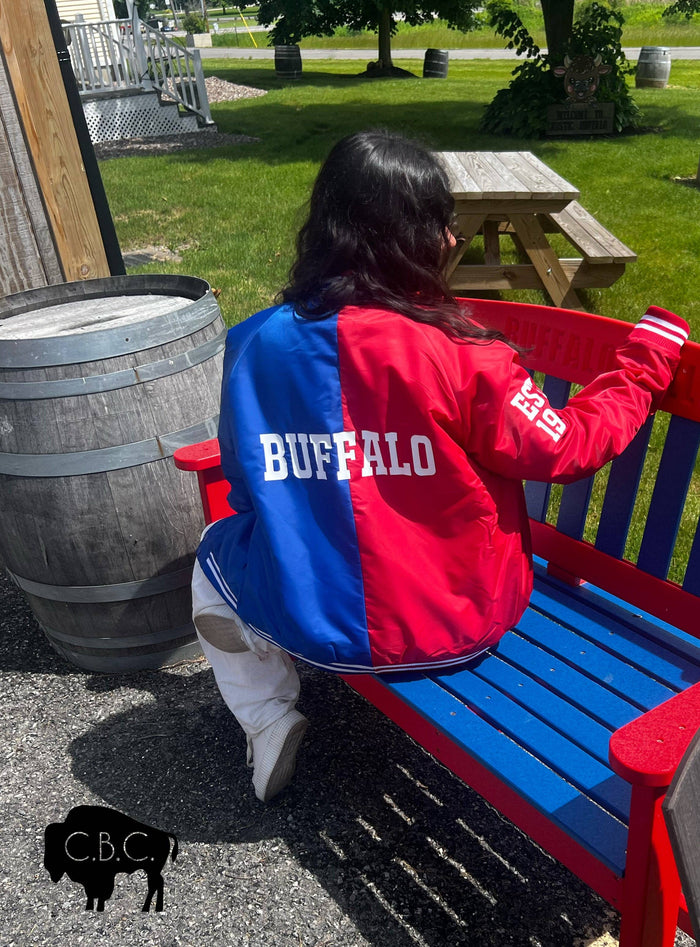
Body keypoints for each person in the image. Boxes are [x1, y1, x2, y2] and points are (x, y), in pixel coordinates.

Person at [192, 129, 689, 802]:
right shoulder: (464, 354)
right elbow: (566, 448)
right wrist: (644, 363)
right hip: (462, 623)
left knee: (211, 555)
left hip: (308, 624)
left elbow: (249, 487)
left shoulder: (251, 344)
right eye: (440, 223)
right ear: (409, 237)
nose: (453, 239)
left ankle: (267, 715)